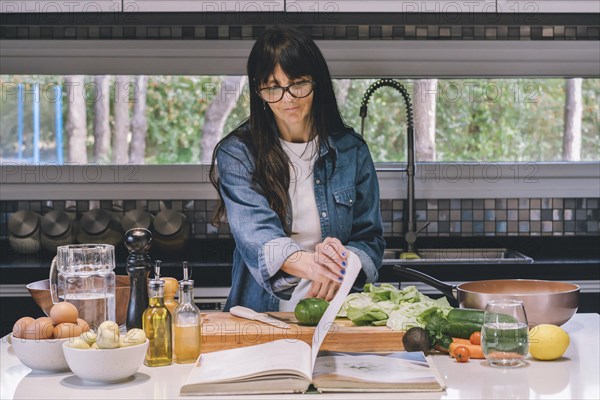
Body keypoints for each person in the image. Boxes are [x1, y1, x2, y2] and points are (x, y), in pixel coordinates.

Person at [210, 26, 384, 312]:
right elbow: (258, 238)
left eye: (298, 84)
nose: (287, 98)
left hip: (337, 312)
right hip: (263, 314)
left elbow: (369, 239)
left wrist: (344, 264)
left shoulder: (352, 151)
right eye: (273, 87)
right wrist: (321, 266)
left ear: (317, 82)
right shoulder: (238, 154)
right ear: (258, 90)